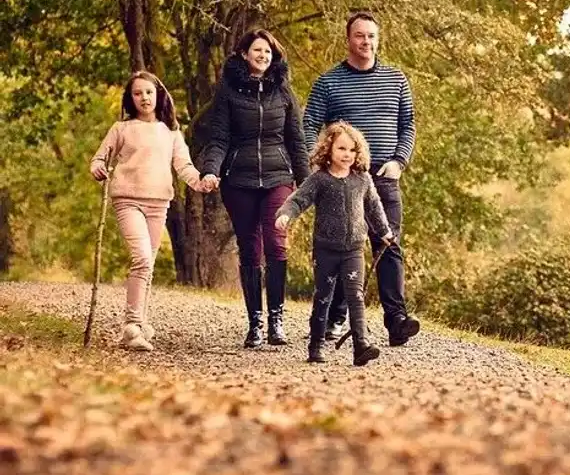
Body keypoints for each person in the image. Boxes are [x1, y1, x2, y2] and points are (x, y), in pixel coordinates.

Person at [303, 11, 420, 347]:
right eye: (360, 36)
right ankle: (335, 317)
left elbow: (407, 125)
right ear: (348, 39)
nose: (366, 42)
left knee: (388, 243)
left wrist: (399, 160)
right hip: (344, 181)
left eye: (371, 36)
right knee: (344, 247)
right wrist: (318, 166)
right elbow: (310, 124)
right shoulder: (329, 82)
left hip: (384, 176)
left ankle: (396, 319)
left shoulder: (396, 79)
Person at [199, 29, 311, 349]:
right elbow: (218, 138)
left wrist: (305, 181)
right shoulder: (228, 91)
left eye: (268, 52)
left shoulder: (284, 91)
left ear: (273, 57)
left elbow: (296, 140)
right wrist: (211, 170)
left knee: (276, 243)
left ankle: (276, 319)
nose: (262, 56)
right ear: (245, 54)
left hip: (278, 177)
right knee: (250, 248)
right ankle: (256, 323)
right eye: (257, 50)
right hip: (239, 180)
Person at [90, 71, 217, 351]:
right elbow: (99, 158)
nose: (144, 98)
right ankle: (132, 326)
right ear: (130, 98)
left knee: (147, 266)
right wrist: (97, 168)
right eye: (137, 93)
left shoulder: (170, 133)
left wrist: (202, 181)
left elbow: (184, 167)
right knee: (142, 258)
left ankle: (140, 322)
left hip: (159, 203)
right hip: (128, 200)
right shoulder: (121, 129)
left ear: (158, 95)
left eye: (149, 92)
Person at [276, 121, 393, 366]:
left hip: (353, 249)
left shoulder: (362, 179)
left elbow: (373, 206)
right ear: (328, 149)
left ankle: (361, 344)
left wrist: (384, 231)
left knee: (356, 296)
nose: (347, 155)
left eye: (352, 150)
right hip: (326, 250)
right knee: (323, 297)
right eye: (341, 149)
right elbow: (298, 200)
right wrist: (285, 214)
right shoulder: (319, 179)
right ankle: (316, 344)